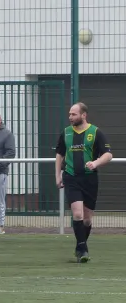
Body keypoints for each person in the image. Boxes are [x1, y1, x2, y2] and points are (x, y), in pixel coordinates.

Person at [55, 102, 112, 263]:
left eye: (74, 114)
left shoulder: (95, 132)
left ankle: (81, 244)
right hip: (71, 177)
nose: (70, 117)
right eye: (69, 114)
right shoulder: (66, 133)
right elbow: (59, 155)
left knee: (87, 219)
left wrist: (95, 163)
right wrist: (58, 175)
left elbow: (108, 154)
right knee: (78, 214)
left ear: (83, 115)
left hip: (89, 179)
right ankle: (82, 249)